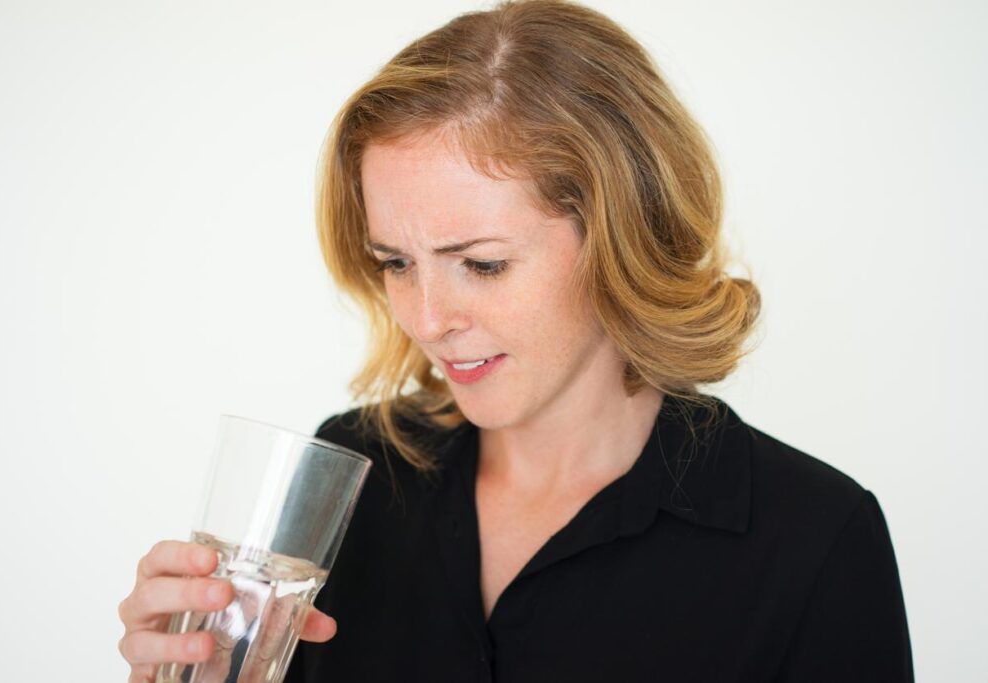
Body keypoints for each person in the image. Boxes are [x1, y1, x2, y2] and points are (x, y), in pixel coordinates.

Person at [117, 1, 914, 681]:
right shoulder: (353, 478)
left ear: (620, 236)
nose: (428, 318)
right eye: (396, 262)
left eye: (484, 264)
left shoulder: (813, 538)